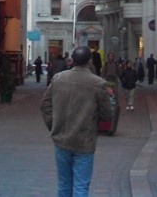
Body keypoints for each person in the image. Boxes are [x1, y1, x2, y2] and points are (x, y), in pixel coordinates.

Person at [40, 45, 116, 197]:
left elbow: (45, 106)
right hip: (84, 141)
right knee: (81, 187)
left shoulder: (58, 79)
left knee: (63, 185)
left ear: (72, 60)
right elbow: (108, 114)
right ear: (89, 61)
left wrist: (54, 126)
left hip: (61, 138)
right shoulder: (98, 83)